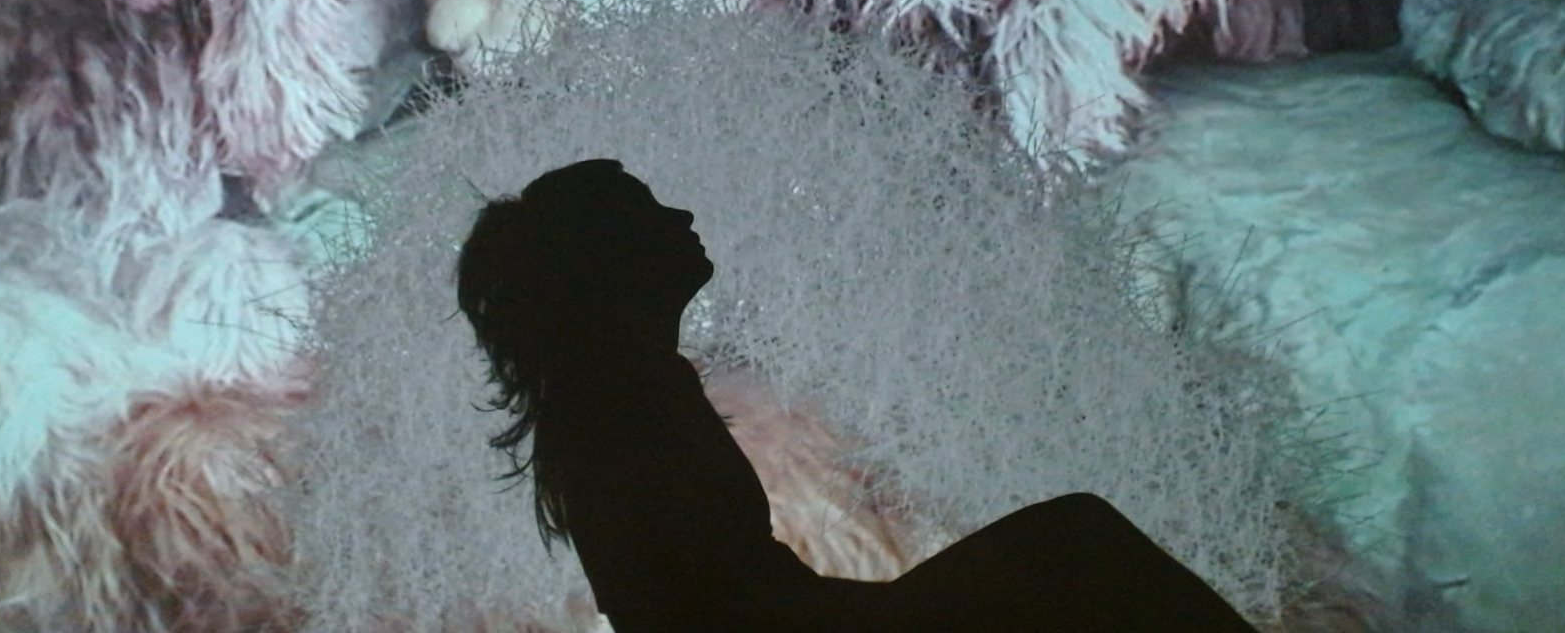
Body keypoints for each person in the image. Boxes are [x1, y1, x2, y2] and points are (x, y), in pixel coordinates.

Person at [456, 158, 1259, 633]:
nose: (683, 213)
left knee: (1071, 543)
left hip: (815, 621)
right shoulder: (625, 405)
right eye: (649, 210)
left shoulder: (628, 389)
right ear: (611, 259)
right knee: (1075, 539)